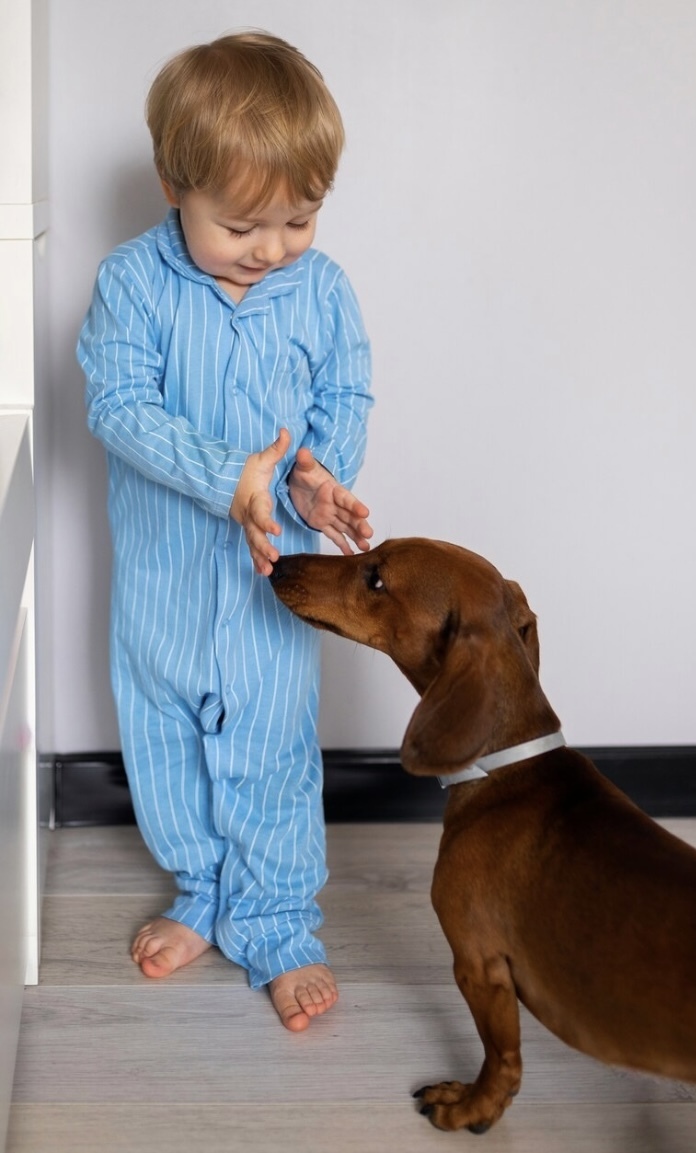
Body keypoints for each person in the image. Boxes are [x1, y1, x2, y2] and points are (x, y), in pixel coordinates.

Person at [77, 31, 374, 1031]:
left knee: (271, 748)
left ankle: (278, 922)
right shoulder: (132, 283)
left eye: (299, 219)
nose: (272, 247)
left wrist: (316, 475)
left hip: (271, 580)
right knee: (164, 740)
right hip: (163, 582)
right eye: (242, 224)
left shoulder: (321, 290)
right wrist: (227, 474)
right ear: (175, 187)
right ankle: (202, 890)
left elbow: (344, 395)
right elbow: (119, 406)